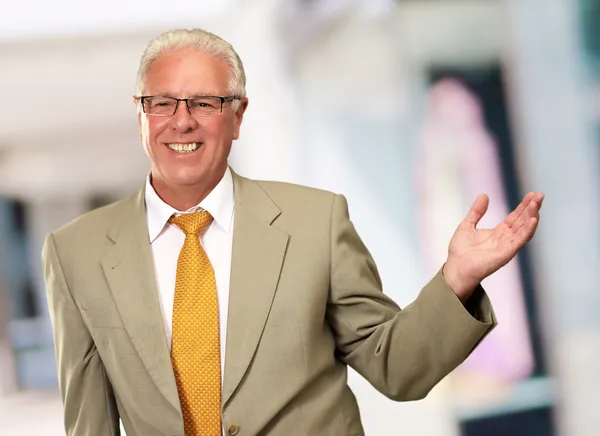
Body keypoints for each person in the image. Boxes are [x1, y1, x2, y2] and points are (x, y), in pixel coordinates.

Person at [42, 28, 544, 436]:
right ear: (139, 115)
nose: (182, 122)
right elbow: (89, 426)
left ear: (237, 116)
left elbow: (397, 368)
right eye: (162, 104)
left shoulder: (315, 223)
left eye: (204, 104)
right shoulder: (75, 254)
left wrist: (455, 281)